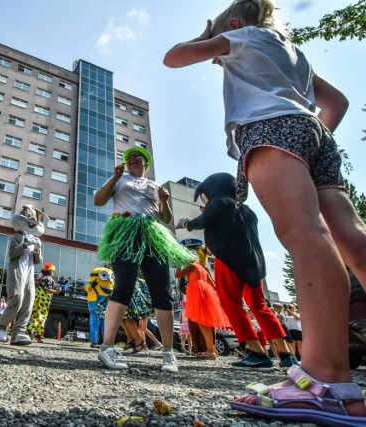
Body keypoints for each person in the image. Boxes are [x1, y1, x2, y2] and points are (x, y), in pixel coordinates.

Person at [164, 0, 366, 423]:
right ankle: (328, 373)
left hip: (270, 129)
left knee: (306, 235)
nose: (220, 63)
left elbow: (173, 58)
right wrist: (307, 137)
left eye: (220, 61)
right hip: (314, 132)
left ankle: (326, 379)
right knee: (351, 236)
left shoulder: (243, 36)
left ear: (235, 24)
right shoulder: (294, 52)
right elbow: (338, 103)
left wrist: (207, 40)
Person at [176, 172, 298, 370]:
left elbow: (203, 221)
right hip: (254, 264)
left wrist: (187, 224)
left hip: (230, 260)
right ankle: (286, 354)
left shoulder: (218, 203)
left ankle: (257, 352)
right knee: (259, 306)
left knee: (231, 304)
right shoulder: (248, 210)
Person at [93, 146, 196, 371]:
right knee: (124, 286)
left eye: (137, 157)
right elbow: (98, 200)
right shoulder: (119, 179)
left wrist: (164, 201)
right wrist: (116, 177)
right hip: (124, 232)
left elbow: (165, 218)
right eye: (129, 158)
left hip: (152, 234)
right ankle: (106, 348)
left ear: (145, 163)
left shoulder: (154, 185)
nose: (132, 160)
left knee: (161, 290)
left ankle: (169, 353)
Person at [0, 205, 44, 346]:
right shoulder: (17, 236)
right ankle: (0, 327)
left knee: (28, 301)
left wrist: (38, 249)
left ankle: (19, 332)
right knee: (17, 298)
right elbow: (12, 254)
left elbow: (38, 261)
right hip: (17, 271)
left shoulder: (35, 238)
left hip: (29, 274)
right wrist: (24, 245)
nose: (32, 221)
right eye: (29, 218)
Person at [176, 262, 230, 360]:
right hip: (206, 293)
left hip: (196, 293)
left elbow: (177, 275)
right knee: (206, 323)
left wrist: (179, 264)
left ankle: (211, 352)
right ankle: (212, 349)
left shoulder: (191, 266)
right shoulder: (203, 268)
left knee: (202, 323)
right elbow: (213, 285)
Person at [27, 262, 60, 343]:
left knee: (35, 315)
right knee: (42, 316)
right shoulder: (49, 279)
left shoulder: (40, 277)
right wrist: (57, 291)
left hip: (37, 298)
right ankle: (30, 329)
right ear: (50, 271)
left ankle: (38, 334)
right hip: (44, 300)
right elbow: (48, 290)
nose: (54, 273)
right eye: (53, 271)